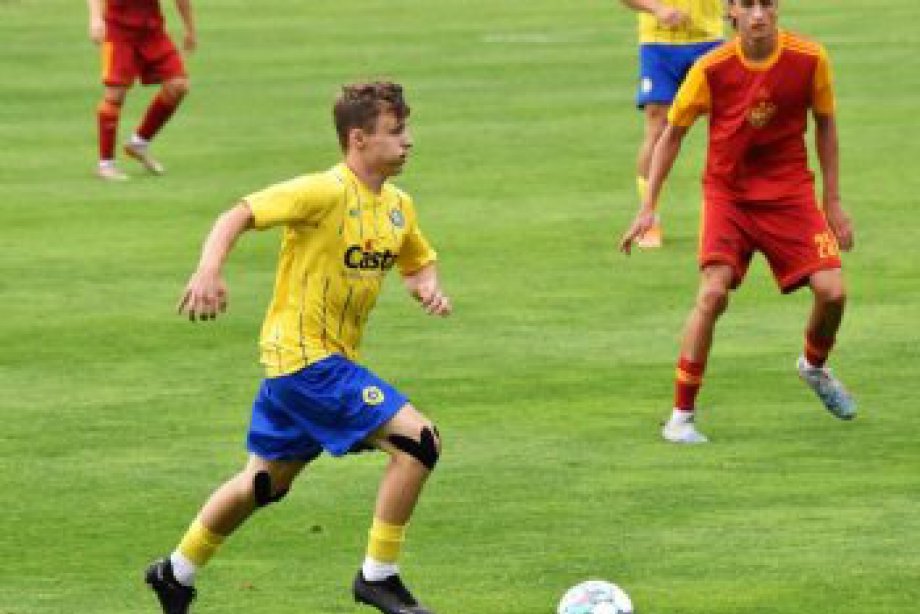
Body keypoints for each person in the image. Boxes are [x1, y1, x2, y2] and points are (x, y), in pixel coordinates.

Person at [144, 82, 450, 614]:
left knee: (263, 484)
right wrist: (209, 269)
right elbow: (236, 214)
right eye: (395, 131)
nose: (408, 141)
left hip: (309, 367)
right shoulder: (322, 192)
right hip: (308, 361)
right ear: (358, 139)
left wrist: (426, 286)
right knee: (419, 442)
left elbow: (417, 259)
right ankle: (379, 576)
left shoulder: (398, 207)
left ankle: (175, 572)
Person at [619, 0, 856, 443]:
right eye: (748, 5)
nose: (758, 14)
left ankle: (813, 366)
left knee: (834, 293)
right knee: (712, 294)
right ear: (732, 12)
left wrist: (833, 201)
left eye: (766, 3)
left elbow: (826, 125)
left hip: (790, 195)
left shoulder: (810, 58)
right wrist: (648, 205)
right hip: (729, 197)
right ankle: (680, 418)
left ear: (778, 8)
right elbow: (672, 134)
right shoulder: (711, 69)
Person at [620, 0, 724, 247]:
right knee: (657, 128)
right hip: (659, 44)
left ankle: (723, 216)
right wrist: (657, 8)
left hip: (709, 41)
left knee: (725, 127)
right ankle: (648, 218)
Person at [87, 0, 196, 181]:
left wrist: (190, 30)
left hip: (152, 31)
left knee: (178, 85)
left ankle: (138, 143)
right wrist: (95, 18)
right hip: (118, 31)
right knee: (115, 94)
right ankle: (106, 165)